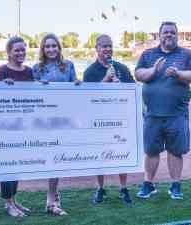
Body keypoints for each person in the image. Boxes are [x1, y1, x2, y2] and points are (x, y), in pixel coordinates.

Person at [135, 21, 191, 200]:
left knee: (175, 151)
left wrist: (178, 73)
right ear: (159, 35)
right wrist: (154, 70)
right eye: (165, 32)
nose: (169, 35)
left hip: (176, 114)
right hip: (153, 114)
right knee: (151, 151)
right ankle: (148, 184)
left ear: (176, 35)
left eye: (172, 32)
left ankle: (175, 185)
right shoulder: (148, 54)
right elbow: (138, 74)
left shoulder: (186, 54)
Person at [83, 34, 134, 204]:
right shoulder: (90, 71)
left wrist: (122, 86)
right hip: (99, 120)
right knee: (100, 155)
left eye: (110, 46)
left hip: (120, 119)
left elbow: (133, 89)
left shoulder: (122, 68)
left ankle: (123, 188)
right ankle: (100, 188)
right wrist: (105, 80)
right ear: (96, 49)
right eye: (103, 46)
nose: (107, 49)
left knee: (121, 153)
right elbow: (86, 97)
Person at [32, 33, 78, 216]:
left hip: (63, 120)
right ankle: (50, 199)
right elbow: (30, 92)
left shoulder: (68, 66)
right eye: (47, 46)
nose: (51, 49)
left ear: (59, 48)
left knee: (56, 159)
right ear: (43, 49)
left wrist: (77, 84)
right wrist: (37, 85)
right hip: (43, 120)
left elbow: (74, 87)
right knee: (46, 158)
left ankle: (52, 198)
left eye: (54, 46)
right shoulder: (37, 68)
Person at [0, 36, 32, 217]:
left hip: (23, 125)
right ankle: (7, 202)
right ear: (8, 52)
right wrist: (1, 87)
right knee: (7, 164)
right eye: (17, 50)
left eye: (23, 50)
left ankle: (14, 199)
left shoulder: (29, 71)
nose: (20, 53)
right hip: (5, 126)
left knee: (17, 164)